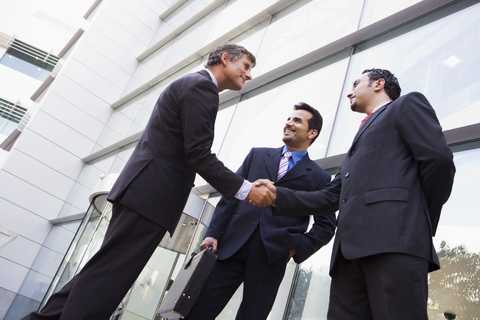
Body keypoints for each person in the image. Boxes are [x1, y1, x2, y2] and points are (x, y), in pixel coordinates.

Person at [22, 44, 275, 320]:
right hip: (151, 198)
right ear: (225, 59)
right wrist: (246, 188)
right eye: (246, 67)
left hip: (143, 194)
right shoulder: (201, 88)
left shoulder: (192, 85)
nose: (248, 75)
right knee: (107, 280)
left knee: (101, 272)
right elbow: (199, 154)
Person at [256, 68, 456, 320]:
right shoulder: (358, 139)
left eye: (356, 83)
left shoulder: (406, 105)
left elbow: (439, 161)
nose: (349, 91)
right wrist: (277, 196)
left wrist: (418, 218)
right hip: (348, 257)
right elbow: (330, 197)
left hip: (394, 244)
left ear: (378, 84)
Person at [187, 103, 336, 320]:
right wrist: (212, 234)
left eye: (297, 120)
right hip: (230, 247)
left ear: (312, 133)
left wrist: (294, 249)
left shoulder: (319, 177)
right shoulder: (256, 155)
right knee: (199, 310)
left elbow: (326, 225)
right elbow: (231, 196)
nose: (289, 123)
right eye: (289, 118)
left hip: (272, 256)